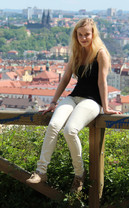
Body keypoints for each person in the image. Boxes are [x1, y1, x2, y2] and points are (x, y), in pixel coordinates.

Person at [26, 18, 121, 193]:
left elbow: (102, 83)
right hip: (74, 97)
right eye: (80, 35)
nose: (83, 38)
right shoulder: (76, 53)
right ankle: (41, 171)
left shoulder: (101, 53)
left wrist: (106, 108)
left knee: (70, 130)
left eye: (87, 35)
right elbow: (65, 79)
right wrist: (53, 102)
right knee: (54, 125)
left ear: (93, 34)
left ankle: (79, 175)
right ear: (75, 35)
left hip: (92, 101)